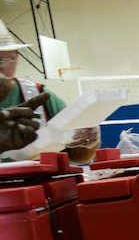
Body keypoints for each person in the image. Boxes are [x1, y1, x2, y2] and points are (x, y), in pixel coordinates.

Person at [0, 19, 99, 163]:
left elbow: (79, 157)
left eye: (1, 61)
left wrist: (87, 142)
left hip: (35, 182)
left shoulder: (39, 95)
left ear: (16, 58)